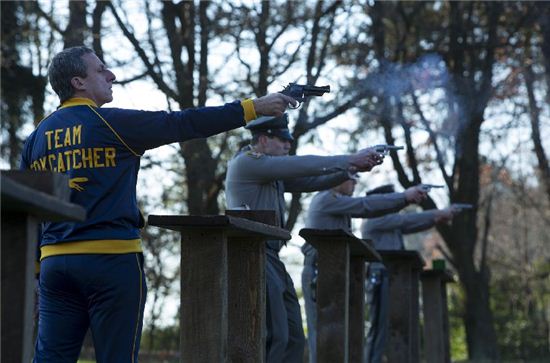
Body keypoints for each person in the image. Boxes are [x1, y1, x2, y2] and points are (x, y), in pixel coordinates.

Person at [20, 45, 294, 363]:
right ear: (78, 82)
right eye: (100, 70)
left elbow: (31, 210)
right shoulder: (111, 124)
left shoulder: (36, 138)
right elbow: (182, 123)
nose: (112, 75)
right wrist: (252, 107)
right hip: (111, 262)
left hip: (55, 267)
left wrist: (36, 274)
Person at [224, 114, 384, 363]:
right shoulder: (248, 162)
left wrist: (350, 168)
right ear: (264, 140)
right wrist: (349, 159)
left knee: (294, 336)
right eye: (282, 140)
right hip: (253, 253)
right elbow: (302, 165)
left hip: (270, 256)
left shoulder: (269, 169)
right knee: (273, 335)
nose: (288, 146)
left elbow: (312, 180)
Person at [301, 179, 428, 363]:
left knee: (340, 334)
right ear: (338, 180)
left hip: (335, 272)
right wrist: (404, 197)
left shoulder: (337, 201)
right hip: (320, 271)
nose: (354, 183)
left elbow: (407, 222)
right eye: (351, 179)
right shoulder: (327, 200)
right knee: (322, 336)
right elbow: (367, 205)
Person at [360, 184, 458, 363]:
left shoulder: (388, 221)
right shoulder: (374, 219)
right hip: (380, 278)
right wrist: (437, 214)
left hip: (393, 277)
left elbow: (413, 224)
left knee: (392, 327)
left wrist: (436, 219)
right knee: (378, 330)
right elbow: (406, 221)